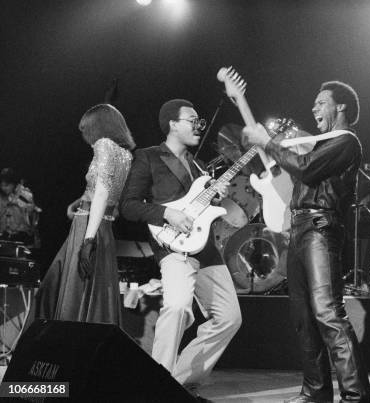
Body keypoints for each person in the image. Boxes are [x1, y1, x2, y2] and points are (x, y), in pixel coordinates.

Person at [242, 81, 370, 403]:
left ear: (340, 107)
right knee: (303, 318)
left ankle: (356, 397)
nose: (313, 108)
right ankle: (315, 393)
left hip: (320, 228)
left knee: (328, 312)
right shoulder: (321, 142)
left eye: (320, 102)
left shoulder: (346, 141)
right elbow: (295, 168)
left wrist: (268, 143)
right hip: (300, 229)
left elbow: (306, 169)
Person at [120, 99, 241, 397]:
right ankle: (156, 388)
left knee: (229, 318)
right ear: (173, 124)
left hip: (207, 251)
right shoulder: (148, 158)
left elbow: (201, 207)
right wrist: (166, 214)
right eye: (192, 119)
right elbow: (129, 206)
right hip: (175, 250)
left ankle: (178, 383)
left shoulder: (199, 166)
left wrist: (215, 199)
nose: (199, 125)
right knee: (175, 308)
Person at [34, 104, 134, 324]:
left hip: (88, 225)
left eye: (85, 129)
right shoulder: (126, 155)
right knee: (91, 290)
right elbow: (107, 196)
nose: (84, 136)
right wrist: (77, 204)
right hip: (104, 226)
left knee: (59, 288)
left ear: (96, 126)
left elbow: (101, 193)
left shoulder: (103, 145)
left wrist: (88, 240)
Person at [0, 168, 40, 246]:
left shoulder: (25, 194)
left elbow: (33, 214)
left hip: (21, 236)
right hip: (4, 237)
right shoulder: (1, 197)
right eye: (1, 185)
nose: (3, 188)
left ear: (13, 184)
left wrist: (29, 210)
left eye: (6, 185)